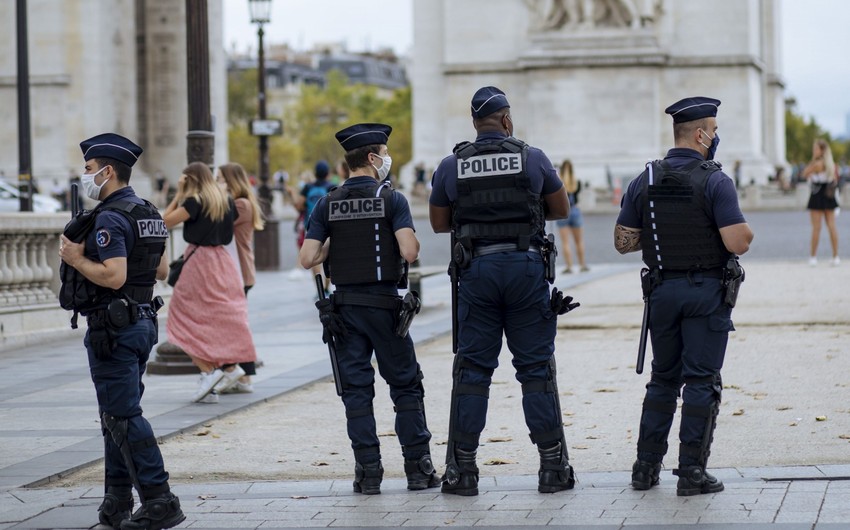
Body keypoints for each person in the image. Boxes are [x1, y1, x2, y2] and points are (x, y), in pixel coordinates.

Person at [429, 86, 577, 496]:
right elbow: (561, 209)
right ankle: (552, 467)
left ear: (475, 124)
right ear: (507, 120)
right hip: (526, 267)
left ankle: (463, 471)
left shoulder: (451, 165)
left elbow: (440, 223)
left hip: (476, 270)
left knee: (473, 370)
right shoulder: (532, 157)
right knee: (535, 368)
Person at [614, 96, 754, 496]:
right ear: (699, 134)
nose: (715, 138)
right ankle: (691, 471)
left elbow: (623, 242)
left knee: (663, 379)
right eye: (712, 131)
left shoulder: (646, 179)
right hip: (705, 292)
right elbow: (737, 241)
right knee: (701, 381)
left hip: (662, 292)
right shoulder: (715, 180)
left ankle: (645, 468)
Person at [299, 123, 440, 495]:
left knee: (356, 391)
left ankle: (368, 472)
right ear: (374, 158)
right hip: (385, 308)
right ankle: (418, 469)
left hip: (344, 309)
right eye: (385, 153)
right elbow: (409, 251)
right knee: (406, 386)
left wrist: (336, 243)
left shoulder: (327, 202)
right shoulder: (391, 199)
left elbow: (307, 257)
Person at [58, 133, 184, 530]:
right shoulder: (147, 211)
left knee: (123, 416)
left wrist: (77, 259)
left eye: (90, 170)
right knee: (114, 413)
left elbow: (114, 276)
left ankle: (160, 500)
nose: (87, 176)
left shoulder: (111, 217)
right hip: (142, 320)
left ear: (108, 171)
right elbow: (162, 271)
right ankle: (117, 499)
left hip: (114, 326)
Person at [163, 162, 258, 403]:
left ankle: (208, 371)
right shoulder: (224, 200)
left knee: (179, 318)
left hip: (199, 262)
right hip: (222, 261)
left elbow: (164, 221)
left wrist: (178, 193)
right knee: (214, 318)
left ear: (190, 179)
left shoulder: (194, 201)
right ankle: (224, 370)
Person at [216, 162, 265, 393]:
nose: (217, 183)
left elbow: (216, 223)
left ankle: (242, 374)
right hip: (233, 271)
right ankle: (240, 374)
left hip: (238, 272)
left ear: (231, 180)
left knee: (234, 325)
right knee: (233, 324)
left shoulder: (240, 204)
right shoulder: (237, 203)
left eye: (220, 179)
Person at [295, 161, 335, 294]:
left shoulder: (307, 187)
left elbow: (299, 205)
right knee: (329, 256)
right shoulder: (332, 187)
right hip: (330, 225)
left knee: (314, 259)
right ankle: (327, 287)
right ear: (327, 173)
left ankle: (319, 290)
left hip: (312, 225)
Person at [802, 138, 840, 266]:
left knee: (816, 228)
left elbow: (804, 173)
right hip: (829, 195)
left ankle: (813, 257)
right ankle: (835, 256)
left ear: (821, 150)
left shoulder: (817, 164)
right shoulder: (830, 164)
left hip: (818, 195)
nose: (814, 151)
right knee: (832, 227)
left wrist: (812, 161)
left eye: (816, 149)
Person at [556, 159, 589, 273]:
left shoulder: (558, 182)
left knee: (565, 242)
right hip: (575, 210)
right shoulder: (576, 182)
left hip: (562, 212)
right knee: (579, 241)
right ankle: (582, 264)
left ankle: (569, 266)